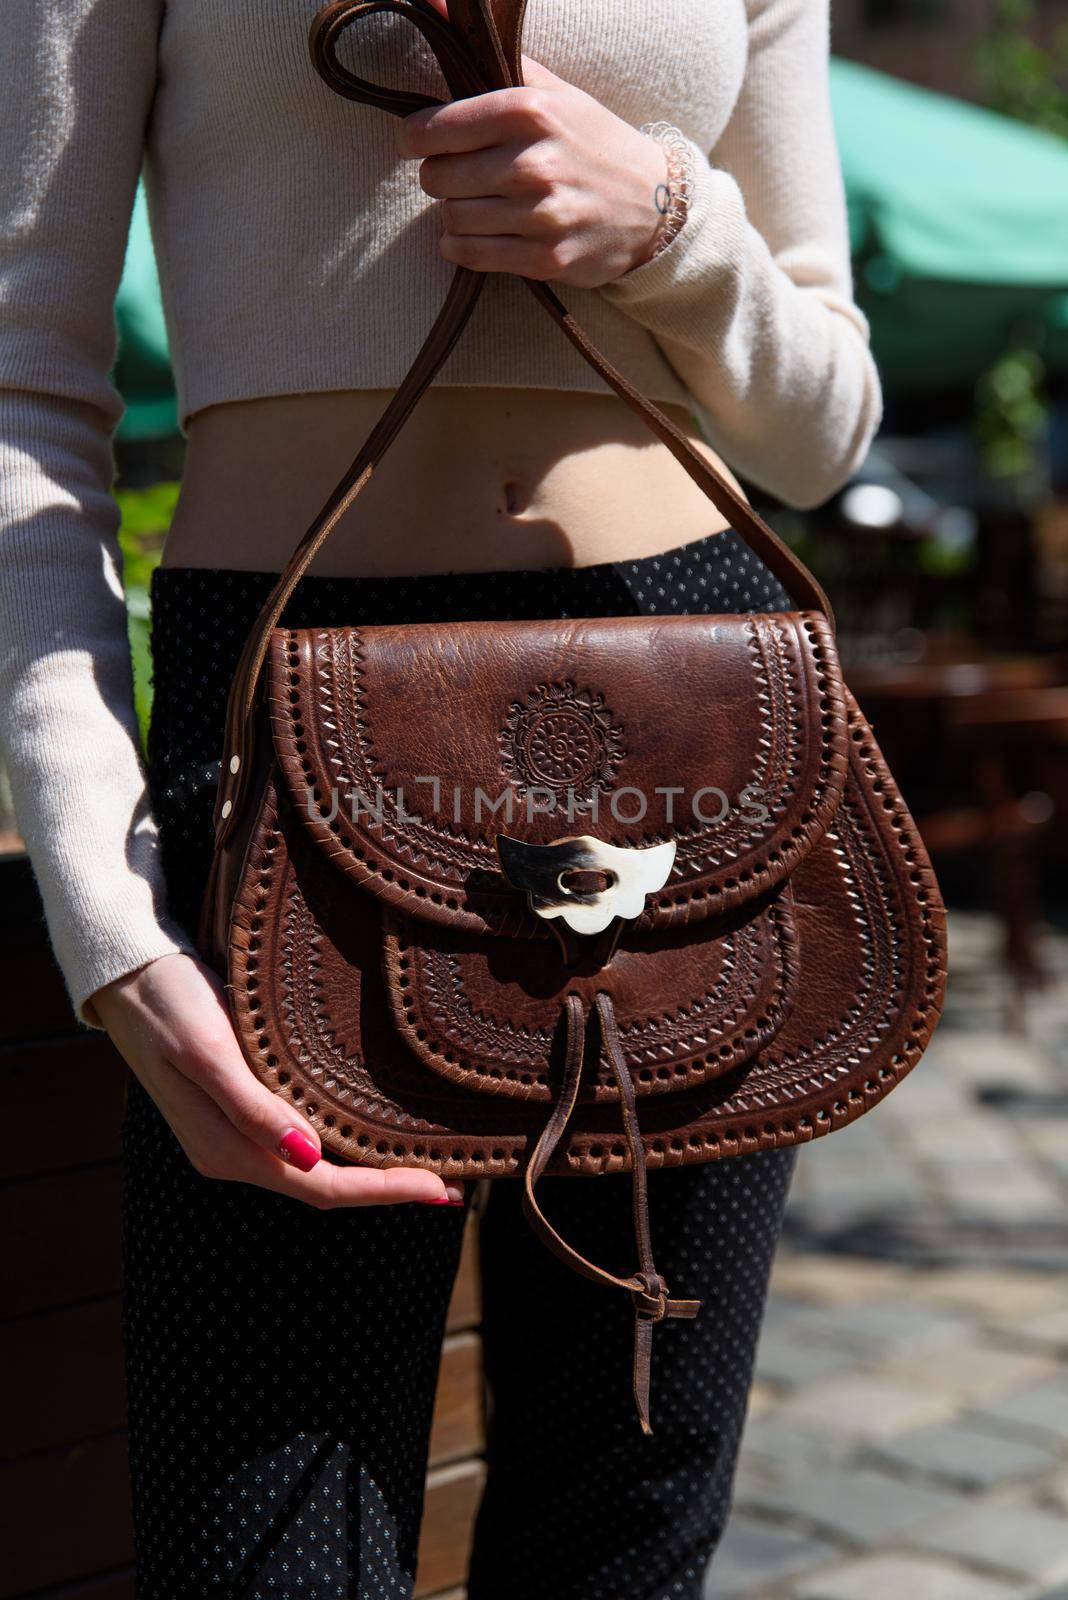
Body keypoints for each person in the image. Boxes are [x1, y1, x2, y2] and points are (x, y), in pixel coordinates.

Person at [0, 0, 881, 1594]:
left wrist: (670, 228)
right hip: (280, 713)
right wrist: (104, 920)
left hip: (685, 724)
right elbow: (17, 392)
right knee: (259, 1546)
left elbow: (823, 427)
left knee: (626, 1543)